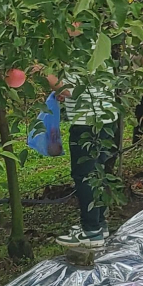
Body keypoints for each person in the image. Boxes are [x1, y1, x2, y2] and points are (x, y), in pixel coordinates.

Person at [59, 59, 122, 247]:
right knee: (97, 173)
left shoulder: (81, 51)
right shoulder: (97, 44)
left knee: (85, 176)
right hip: (105, 120)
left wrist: (43, 74)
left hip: (87, 123)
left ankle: (91, 231)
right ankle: (98, 223)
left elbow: (69, 90)